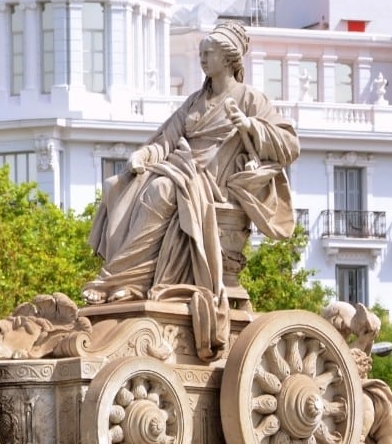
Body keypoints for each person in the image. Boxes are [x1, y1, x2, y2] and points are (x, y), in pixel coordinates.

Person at [82, 20, 299, 357]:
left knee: (162, 191)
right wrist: (144, 154)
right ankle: (126, 282)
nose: (202, 59)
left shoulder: (249, 98)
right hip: (183, 169)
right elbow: (166, 139)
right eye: (201, 53)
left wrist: (251, 126)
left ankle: (120, 279)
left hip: (215, 184)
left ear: (227, 59)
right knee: (123, 185)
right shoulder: (195, 101)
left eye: (208, 53)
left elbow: (289, 144)